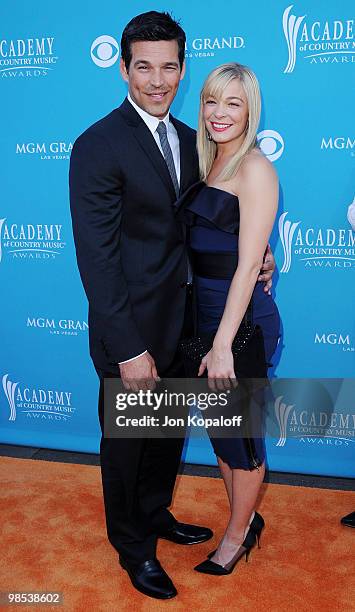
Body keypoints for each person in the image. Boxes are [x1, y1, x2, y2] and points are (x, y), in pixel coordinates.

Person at [69, 12, 275, 599]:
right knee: (129, 448)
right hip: (131, 332)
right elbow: (98, 261)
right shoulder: (98, 145)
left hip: (187, 326)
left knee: (164, 441)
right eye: (144, 67)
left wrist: (263, 258)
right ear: (124, 69)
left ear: (182, 70)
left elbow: (224, 220)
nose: (157, 80)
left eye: (168, 67)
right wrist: (129, 349)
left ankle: (156, 516)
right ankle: (132, 549)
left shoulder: (195, 139)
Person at [176, 62, 280, 575]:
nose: (219, 113)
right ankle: (246, 517)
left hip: (240, 326)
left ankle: (237, 536)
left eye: (232, 103)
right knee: (222, 431)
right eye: (212, 101)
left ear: (250, 111)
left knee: (241, 436)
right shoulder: (207, 159)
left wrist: (222, 345)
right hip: (204, 321)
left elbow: (245, 269)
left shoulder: (256, 168)